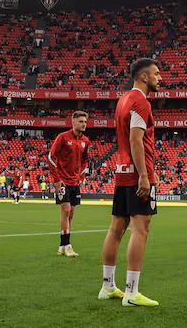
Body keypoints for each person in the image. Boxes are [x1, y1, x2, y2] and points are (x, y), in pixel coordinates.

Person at [99, 58, 163, 307]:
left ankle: (108, 287)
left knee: (116, 229)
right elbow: (137, 140)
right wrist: (145, 176)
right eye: (156, 74)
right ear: (144, 77)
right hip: (137, 174)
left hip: (121, 171)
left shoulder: (123, 100)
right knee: (141, 229)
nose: (160, 78)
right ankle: (132, 292)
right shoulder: (140, 102)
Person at [49, 110, 91, 257]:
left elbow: (85, 160)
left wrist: (82, 175)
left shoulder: (85, 141)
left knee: (71, 213)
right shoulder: (63, 137)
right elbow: (51, 157)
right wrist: (56, 179)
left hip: (75, 181)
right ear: (73, 122)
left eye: (85, 122)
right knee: (66, 210)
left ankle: (62, 246)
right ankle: (67, 245)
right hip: (62, 180)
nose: (84, 124)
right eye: (81, 121)